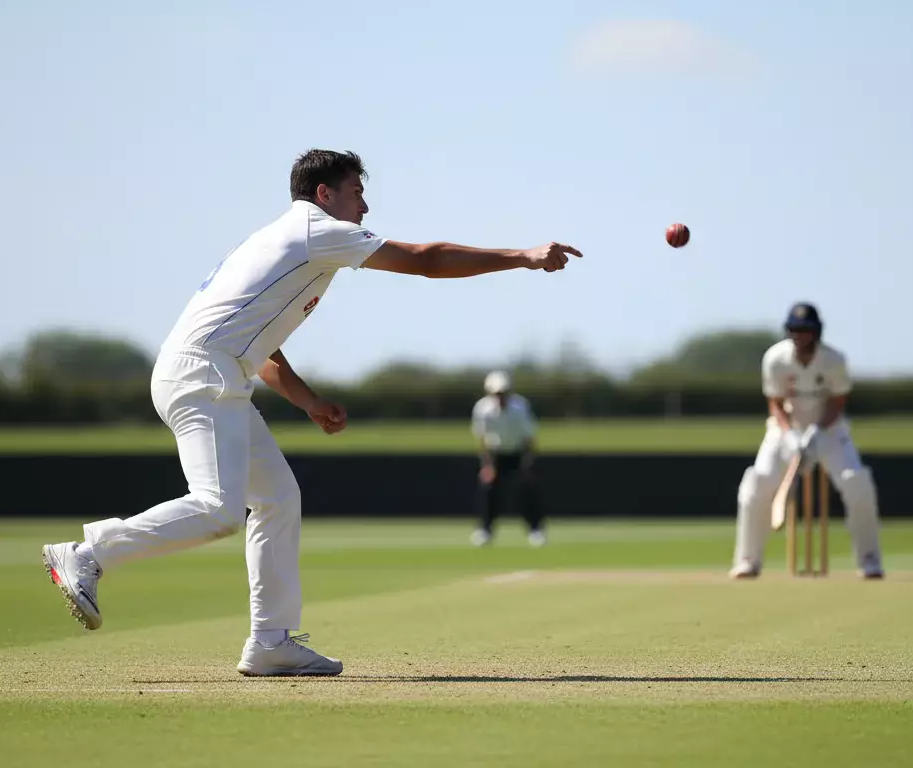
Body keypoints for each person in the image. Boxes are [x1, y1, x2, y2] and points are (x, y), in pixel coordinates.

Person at [41, 149, 582, 677]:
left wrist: (307, 400)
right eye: (356, 193)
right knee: (219, 510)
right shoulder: (314, 231)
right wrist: (522, 256)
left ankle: (271, 642)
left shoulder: (280, 240)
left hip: (212, 373)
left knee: (277, 499)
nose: (364, 207)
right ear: (324, 194)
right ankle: (89, 554)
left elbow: (264, 348)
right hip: (204, 374)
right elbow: (426, 260)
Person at [728, 302, 885, 579]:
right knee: (756, 483)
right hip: (784, 430)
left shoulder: (834, 360)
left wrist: (817, 431)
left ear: (816, 332)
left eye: (805, 330)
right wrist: (790, 434)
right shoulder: (775, 358)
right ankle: (748, 560)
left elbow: (838, 402)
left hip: (829, 430)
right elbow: (775, 403)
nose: (799, 336)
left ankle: (869, 559)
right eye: (794, 330)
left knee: (856, 481)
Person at [469, 370, 546, 547]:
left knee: (526, 491)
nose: (500, 397)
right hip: (495, 454)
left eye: (503, 393)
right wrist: (487, 465)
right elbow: (482, 438)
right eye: (497, 393)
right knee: (489, 491)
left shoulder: (520, 407)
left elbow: (529, 436)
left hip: (518, 453)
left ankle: (536, 530)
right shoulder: (482, 409)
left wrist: (528, 463)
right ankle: (485, 530)